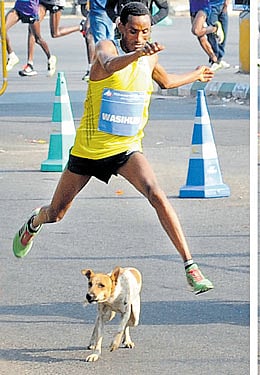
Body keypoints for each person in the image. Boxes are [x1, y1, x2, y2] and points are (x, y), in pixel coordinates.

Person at [12, 2, 215, 295]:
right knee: (56, 214)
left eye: (145, 31)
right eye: (133, 31)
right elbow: (108, 64)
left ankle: (190, 266)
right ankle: (34, 222)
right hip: (88, 151)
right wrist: (136, 54)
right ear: (120, 27)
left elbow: (167, 83)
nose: (140, 37)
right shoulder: (106, 46)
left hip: (126, 149)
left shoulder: (150, 57)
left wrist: (196, 74)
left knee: (156, 193)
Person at [19, 0, 82, 77]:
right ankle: (30, 64)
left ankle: (80, 27)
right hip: (42, 2)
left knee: (55, 33)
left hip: (55, 3)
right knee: (32, 28)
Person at [4, 0, 56, 76]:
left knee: (38, 39)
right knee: (2, 29)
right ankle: (12, 55)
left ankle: (50, 57)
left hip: (30, 11)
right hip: (18, 9)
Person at [189, 0, 227, 71]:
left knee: (196, 31)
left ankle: (215, 28)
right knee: (200, 37)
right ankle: (215, 60)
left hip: (203, 7)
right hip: (193, 6)